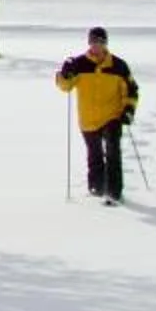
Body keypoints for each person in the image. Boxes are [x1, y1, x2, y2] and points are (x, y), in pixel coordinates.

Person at [54, 26, 139, 205]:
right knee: (94, 154)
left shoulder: (118, 65)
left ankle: (114, 193)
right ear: (89, 43)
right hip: (88, 118)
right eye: (93, 42)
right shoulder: (79, 63)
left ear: (105, 44)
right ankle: (96, 189)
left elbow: (131, 90)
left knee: (113, 151)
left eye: (100, 42)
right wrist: (64, 73)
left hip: (112, 115)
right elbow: (65, 86)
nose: (96, 46)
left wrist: (128, 110)